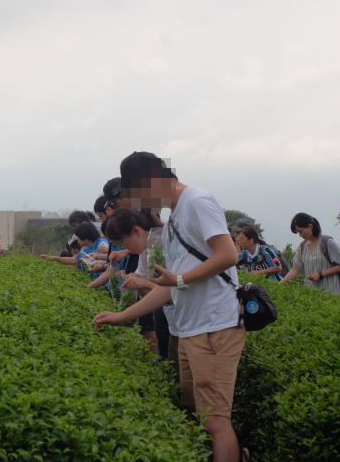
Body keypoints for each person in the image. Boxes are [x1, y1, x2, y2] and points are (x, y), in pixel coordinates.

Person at [93, 151, 245, 462]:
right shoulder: (174, 217)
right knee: (197, 414)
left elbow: (228, 255)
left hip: (214, 326)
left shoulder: (197, 201)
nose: (140, 204)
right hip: (191, 328)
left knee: (215, 421)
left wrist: (179, 279)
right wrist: (122, 316)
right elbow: (167, 289)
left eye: (138, 194)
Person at [279, 213, 340, 294]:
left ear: (310, 226)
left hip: (331, 293)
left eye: (301, 231)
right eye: (298, 232)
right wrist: (280, 285)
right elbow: (295, 269)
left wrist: (320, 274)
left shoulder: (328, 243)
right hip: (311, 294)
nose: (300, 235)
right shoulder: (302, 247)